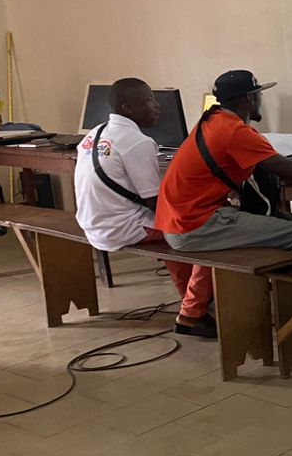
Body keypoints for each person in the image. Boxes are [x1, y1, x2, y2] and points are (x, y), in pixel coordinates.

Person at [155, 70, 292, 337]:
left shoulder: (211, 121)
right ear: (249, 99)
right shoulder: (234, 131)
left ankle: (192, 314)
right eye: (258, 95)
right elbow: (288, 169)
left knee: (286, 222)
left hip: (178, 222)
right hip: (196, 226)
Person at [74, 77, 205, 314]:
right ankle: (194, 308)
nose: (157, 105)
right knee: (197, 230)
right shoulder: (138, 142)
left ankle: (195, 298)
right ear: (128, 109)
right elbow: (156, 204)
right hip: (121, 228)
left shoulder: (94, 133)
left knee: (186, 222)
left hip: (91, 224)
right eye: (149, 100)